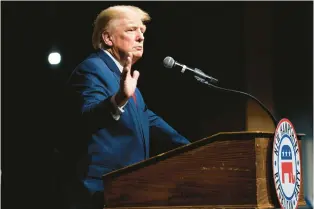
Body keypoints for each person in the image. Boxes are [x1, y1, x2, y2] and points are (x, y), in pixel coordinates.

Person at [62, 5, 190, 209]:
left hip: (130, 190)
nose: (141, 37)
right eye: (131, 30)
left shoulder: (129, 82)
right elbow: (87, 116)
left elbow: (152, 121)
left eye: (142, 31)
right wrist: (119, 99)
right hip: (101, 191)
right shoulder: (92, 68)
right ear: (107, 38)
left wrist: (192, 148)